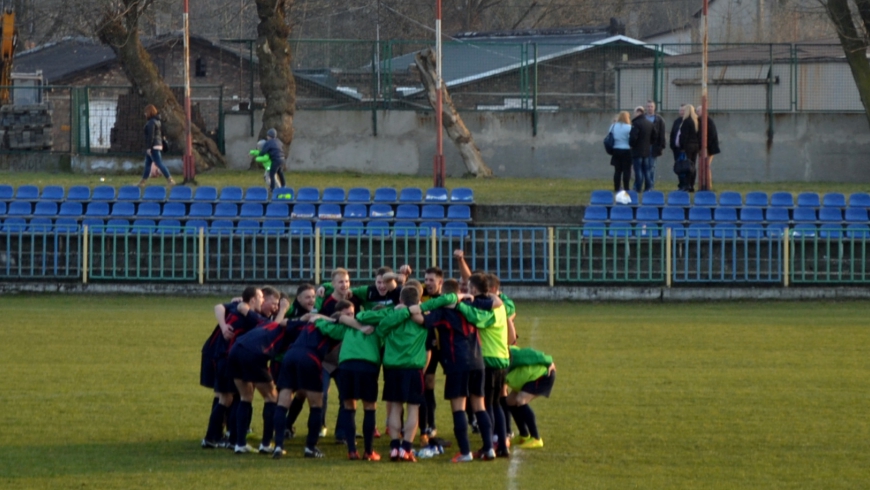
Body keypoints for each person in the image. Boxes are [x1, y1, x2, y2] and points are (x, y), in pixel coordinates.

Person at [200, 287, 266, 449]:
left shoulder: (237, 309)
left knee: (227, 398)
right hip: (226, 359)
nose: (262, 301)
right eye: (261, 297)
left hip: (222, 357)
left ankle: (217, 437)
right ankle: (226, 438)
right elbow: (268, 326)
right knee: (233, 398)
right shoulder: (247, 315)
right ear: (252, 300)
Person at [227, 293, 291, 454]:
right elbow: (277, 325)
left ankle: (240, 444)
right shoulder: (274, 325)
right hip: (253, 354)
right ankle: (266, 444)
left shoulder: (261, 321)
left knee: (245, 397)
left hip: (235, 351)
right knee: (272, 397)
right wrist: (284, 309)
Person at [505, 345, 556, 449]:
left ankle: (536, 438)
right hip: (527, 378)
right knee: (510, 401)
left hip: (542, 375)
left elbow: (533, 354)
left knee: (520, 400)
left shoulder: (513, 354)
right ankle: (524, 435)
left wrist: (549, 361)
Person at [137, 104, 175, 189]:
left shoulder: (151, 123)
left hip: (153, 146)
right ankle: (142, 182)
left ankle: (170, 180)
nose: (145, 114)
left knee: (159, 163)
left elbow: (151, 136)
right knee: (148, 164)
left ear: (149, 112)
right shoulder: (158, 121)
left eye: (146, 113)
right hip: (157, 144)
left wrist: (149, 148)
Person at [629, 106, 655, 193]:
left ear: (638, 113)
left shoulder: (636, 123)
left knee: (638, 170)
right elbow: (654, 137)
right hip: (647, 150)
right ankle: (648, 187)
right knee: (646, 170)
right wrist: (649, 143)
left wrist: (631, 145)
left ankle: (638, 187)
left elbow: (633, 138)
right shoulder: (649, 123)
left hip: (637, 151)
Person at [695, 105, 721, 190]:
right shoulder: (701, 120)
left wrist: (705, 149)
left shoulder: (707, 121)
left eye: (698, 111)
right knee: (703, 167)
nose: (696, 113)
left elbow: (711, 136)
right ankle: (703, 185)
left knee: (706, 167)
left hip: (709, 149)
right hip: (705, 148)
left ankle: (708, 186)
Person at [678, 104, 701, 192]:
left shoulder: (686, 121)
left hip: (688, 146)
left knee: (687, 166)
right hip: (695, 145)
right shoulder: (696, 121)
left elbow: (684, 136)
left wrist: (682, 146)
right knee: (693, 166)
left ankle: (687, 184)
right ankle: (692, 184)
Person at [609, 111, 633, 192]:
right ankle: (626, 187)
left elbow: (610, 135)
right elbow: (631, 138)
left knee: (617, 170)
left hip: (616, 149)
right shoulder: (629, 127)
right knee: (627, 170)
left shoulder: (613, 126)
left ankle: (617, 187)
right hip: (626, 150)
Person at [646, 100, 667, 189]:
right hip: (643, 146)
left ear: (654, 108)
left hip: (653, 146)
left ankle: (650, 185)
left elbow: (662, 134)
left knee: (652, 166)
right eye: (648, 106)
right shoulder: (643, 118)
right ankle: (644, 184)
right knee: (644, 167)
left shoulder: (659, 120)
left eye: (651, 106)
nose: (650, 108)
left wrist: (661, 147)